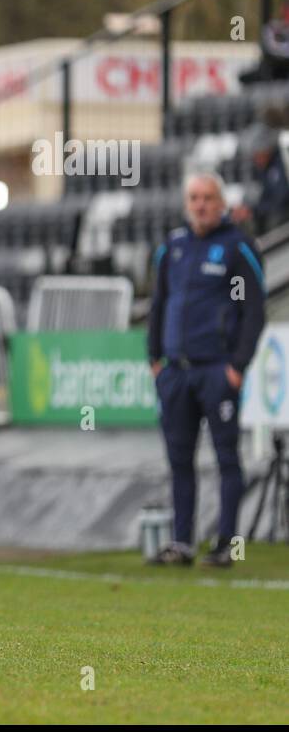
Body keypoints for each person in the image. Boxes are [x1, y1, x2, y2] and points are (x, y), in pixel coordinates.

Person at [148, 172, 266, 568]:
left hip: (217, 370)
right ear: (186, 203)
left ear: (221, 202)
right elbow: (158, 304)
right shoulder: (173, 247)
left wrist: (237, 365)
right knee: (179, 460)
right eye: (194, 197)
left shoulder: (237, 247)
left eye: (207, 197)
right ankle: (182, 544)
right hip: (176, 372)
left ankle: (225, 546)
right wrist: (154, 360)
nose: (200, 204)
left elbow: (254, 310)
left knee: (226, 458)